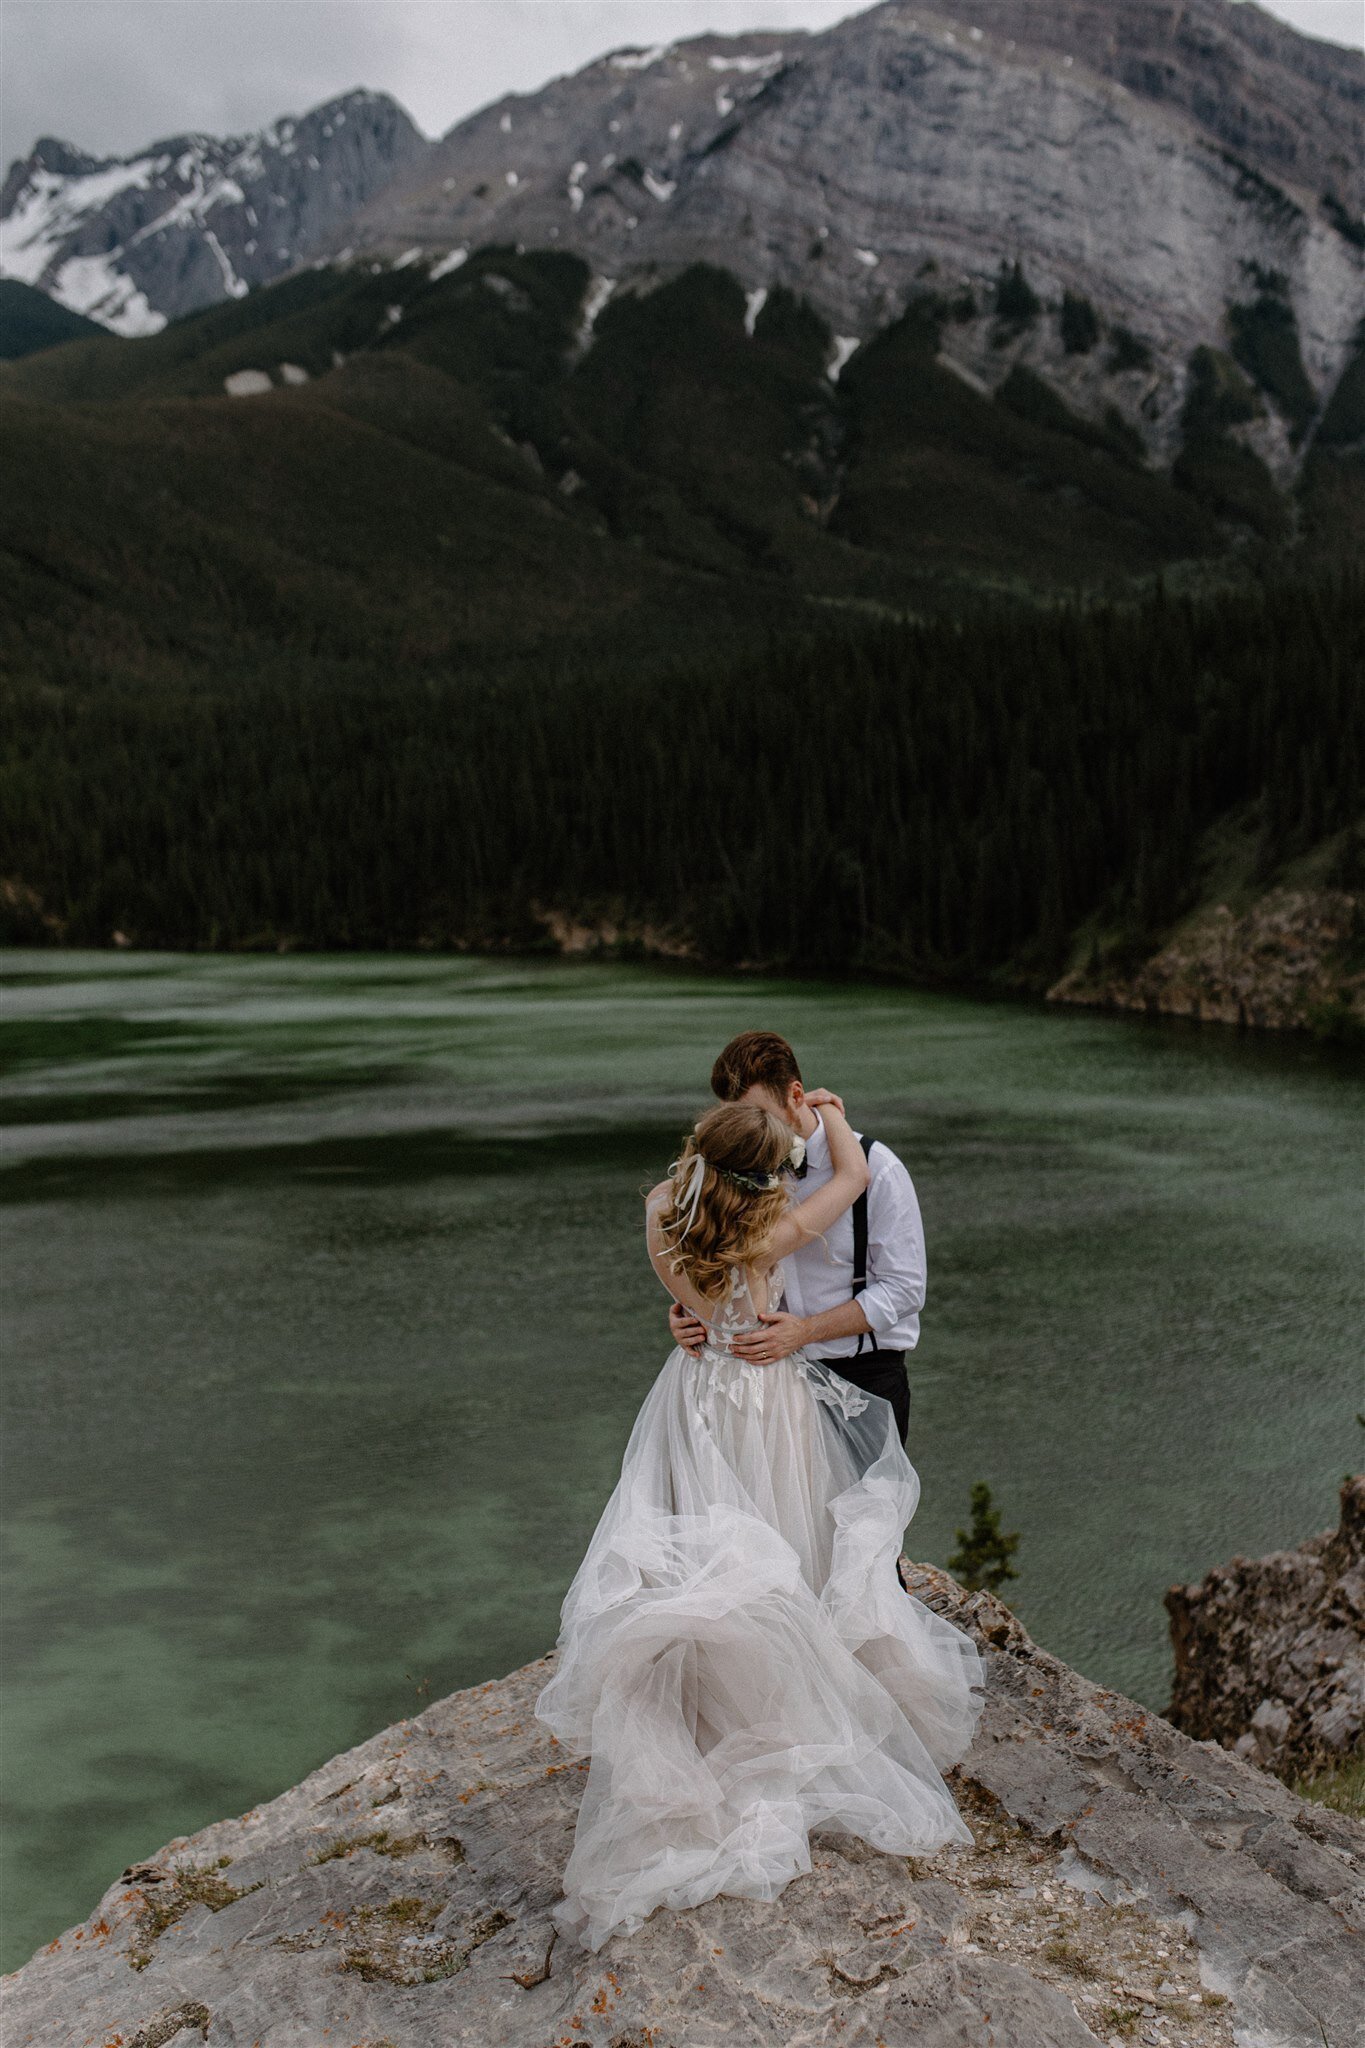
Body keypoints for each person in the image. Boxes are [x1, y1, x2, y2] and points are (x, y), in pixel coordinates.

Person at [534, 1096, 986, 1953]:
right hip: (762, 1402)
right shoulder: (767, 1236)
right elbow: (849, 1174)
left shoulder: (660, 1215)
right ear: (765, 1177)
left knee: (705, 1546)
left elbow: (682, 1208)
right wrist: (834, 1114)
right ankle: (783, 1697)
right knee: (781, 1540)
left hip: (693, 1390)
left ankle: (708, 1698)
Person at [671, 1031, 923, 1448]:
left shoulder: (879, 1168)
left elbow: (904, 1290)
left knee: (864, 1512)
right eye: (734, 1118)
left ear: (796, 1095)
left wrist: (804, 1332)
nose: (747, 1132)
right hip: (769, 1386)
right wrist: (693, 1314)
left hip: (862, 1377)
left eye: (758, 1116)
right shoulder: (730, 1169)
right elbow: (713, 1256)